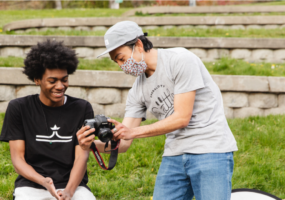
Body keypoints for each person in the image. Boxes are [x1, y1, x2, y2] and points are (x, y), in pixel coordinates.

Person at [77, 21, 238, 200]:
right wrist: (89, 145)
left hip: (210, 150)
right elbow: (123, 144)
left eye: (122, 58)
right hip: (174, 155)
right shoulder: (137, 90)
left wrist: (132, 132)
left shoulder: (180, 59)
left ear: (138, 45)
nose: (121, 66)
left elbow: (182, 118)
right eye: (117, 62)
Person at [0, 40, 96, 200]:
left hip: (73, 185)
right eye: (52, 81)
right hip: (31, 185)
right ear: (37, 79)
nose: (60, 86)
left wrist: (69, 191)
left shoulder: (82, 108)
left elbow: (82, 155)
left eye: (64, 79)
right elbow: (18, 159)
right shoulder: (19, 108)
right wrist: (44, 182)